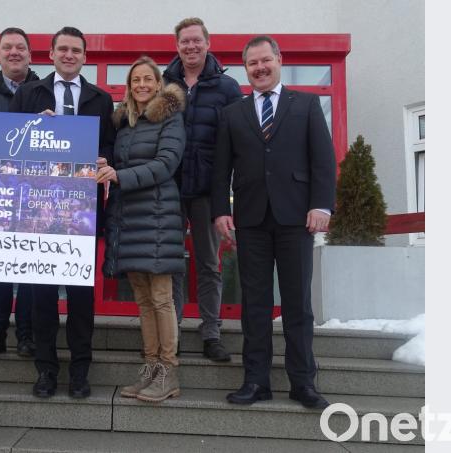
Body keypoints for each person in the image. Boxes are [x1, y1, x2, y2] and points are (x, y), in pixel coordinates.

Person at [211, 35, 336, 409]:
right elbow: (221, 170)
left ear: (279, 60)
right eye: (252, 64)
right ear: (245, 68)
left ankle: (303, 383)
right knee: (256, 304)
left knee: (298, 303)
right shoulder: (234, 112)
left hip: (297, 218)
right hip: (250, 220)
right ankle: (256, 381)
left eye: (266, 61)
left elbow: (323, 161)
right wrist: (221, 210)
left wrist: (321, 206)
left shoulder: (308, 104)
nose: (260, 68)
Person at [10, 26, 115, 399]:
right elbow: (11, 147)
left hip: (81, 214)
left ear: (85, 57)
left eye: (76, 50)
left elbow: (111, 149)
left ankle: (80, 371)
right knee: (40, 299)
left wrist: (106, 159)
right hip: (38, 213)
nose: (69, 55)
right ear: (51, 54)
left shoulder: (101, 99)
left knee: (81, 299)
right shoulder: (27, 94)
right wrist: (35, 128)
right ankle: (46, 371)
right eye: (63, 49)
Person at [98, 56, 186, 402]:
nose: (142, 85)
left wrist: (120, 175)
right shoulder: (124, 123)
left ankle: (169, 372)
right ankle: (150, 369)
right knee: (143, 300)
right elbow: (122, 165)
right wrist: (108, 165)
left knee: (162, 298)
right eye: (136, 80)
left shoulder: (172, 119)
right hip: (128, 217)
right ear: (129, 86)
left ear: (158, 83)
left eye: (148, 79)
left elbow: (165, 165)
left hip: (159, 217)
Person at [162, 17, 243, 362]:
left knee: (210, 263)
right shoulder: (165, 83)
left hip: (209, 190)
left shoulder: (226, 87)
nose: (191, 47)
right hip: (170, 187)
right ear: (177, 46)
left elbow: (238, 142)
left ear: (208, 44)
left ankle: (211, 331)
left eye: (197, 41)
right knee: (171, 262)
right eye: (185, 42)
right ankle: (173, 329)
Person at [0, 28, 39, 359]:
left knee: (29, 265)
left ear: (31, 54)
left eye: (20, 47)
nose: (14, 52)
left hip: (38, 194)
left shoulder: (47, 92)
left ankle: (27, 334)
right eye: (7, 47)